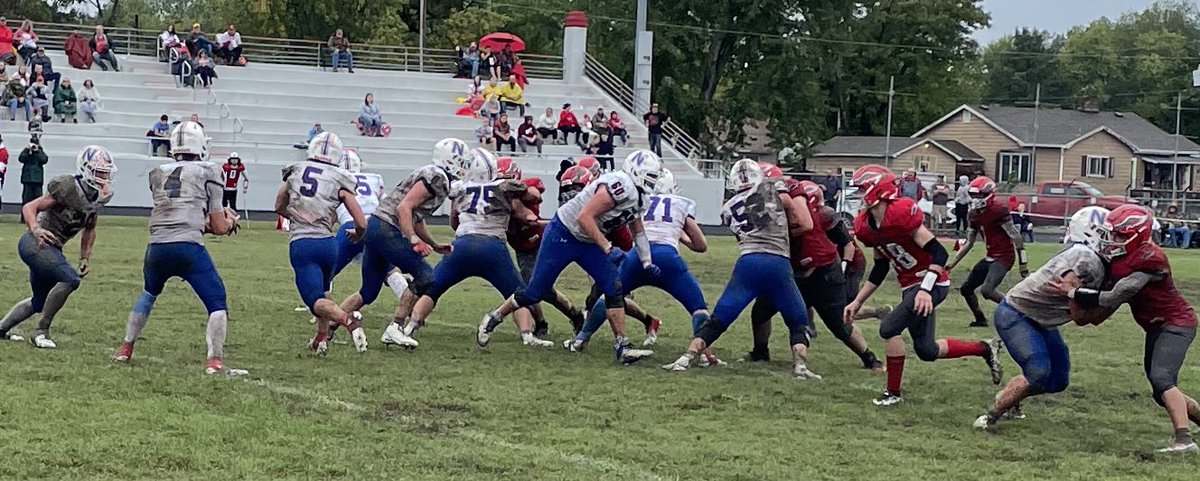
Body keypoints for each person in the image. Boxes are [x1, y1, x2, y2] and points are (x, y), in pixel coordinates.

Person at [477, 150, 666, 363]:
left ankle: (623, 345)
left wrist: (647, 261)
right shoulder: (619, 185)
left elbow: (637, 229)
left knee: (613, 286)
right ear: (637, 172)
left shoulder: (639, 196)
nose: (652, 182)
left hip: (586, 241)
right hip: (563, 234)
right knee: (535, 292)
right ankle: (494, 317)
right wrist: (607, 247)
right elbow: (584, 217)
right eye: (650, 176)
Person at [844, 164, 1003, 407]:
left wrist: (926, 289)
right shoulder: (866, 227)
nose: (858, 197)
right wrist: (857, 301)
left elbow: (938, 253)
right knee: (927, 350)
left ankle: (893, 393)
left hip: (933, 283)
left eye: (861, 189)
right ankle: (984, 348)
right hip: (911, 286)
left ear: (876, 190)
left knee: (888, 328)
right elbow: (880, 268)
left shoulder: (901, 213)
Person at [1058, 205, 1200, 453]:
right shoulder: (1123, 257)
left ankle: (1184, 440)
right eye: (1112, 234)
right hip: (1157, 326)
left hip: (1176, 323)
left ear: (1138, 236)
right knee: (1161, 391)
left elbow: (1116, 295)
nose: (1113, 240)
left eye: (1120, 235)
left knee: (1162, 380)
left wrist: (1073, 293)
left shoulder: (1150, 259)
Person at [661, 159, 818, 378]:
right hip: (777, 262)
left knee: (720, 317)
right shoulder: (773, 188)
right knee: (798, 320)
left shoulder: (728, 207)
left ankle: (686, 357)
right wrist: (789, 219)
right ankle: (800, 366)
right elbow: (788, 205)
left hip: (749, 263)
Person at [113, 122, 243, 374]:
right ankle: (215, 362)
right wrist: (229, 222)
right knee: (217, 302)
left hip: (157, 247)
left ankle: (125, 348)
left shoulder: (158, 171)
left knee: (149, 294)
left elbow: (179, 214)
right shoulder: (208, 170)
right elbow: (217, 226)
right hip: (187, 248)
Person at [973, 206, 1110, 430]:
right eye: (1106, 234)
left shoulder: (1092, 259)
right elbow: (1082, 317)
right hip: (1016, 313)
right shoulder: (1086, 259)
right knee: (1038, 372)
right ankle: (991, 416)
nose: (1112, 240)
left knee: (1057, 381)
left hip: (1041, 321)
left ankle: (1010, 397)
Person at [569, 170, 724, 364]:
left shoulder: (639, 199)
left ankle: (581, 338)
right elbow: (701, 245)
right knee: (698, 307)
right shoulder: (681, 202)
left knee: (609, 296)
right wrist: (678, 234)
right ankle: (704, 353)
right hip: (667, 258)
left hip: (637, 257)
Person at [400, 150, 552, 348]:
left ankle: (411, 327)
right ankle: (527, 335)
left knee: (433, 289)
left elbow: (454, 221)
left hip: (462, 245)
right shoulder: (504, 187)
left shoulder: (461, 188)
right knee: (516, 293)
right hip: (492, 247)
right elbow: (529, 211)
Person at [337, 138, 470, 349]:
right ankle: (395, 327)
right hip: (385, 228)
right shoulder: (437, 178)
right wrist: (413, 239)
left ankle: (327, 329)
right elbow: (404, 208)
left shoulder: (435, 175)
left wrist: (434, 244)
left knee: (369, 291)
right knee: (426, 276)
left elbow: (415, 217)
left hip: (377, 226)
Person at [747, 177, 884, 370]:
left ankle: (870, 358)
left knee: (839, 323)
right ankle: (760, 352)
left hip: (822, 273)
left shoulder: (816, 217)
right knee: (761, 310)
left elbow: (834, 245)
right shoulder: (791, 215)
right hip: (797, 275)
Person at [0, 146, 115, 347]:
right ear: (86, 169)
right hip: (35, 242)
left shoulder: (100, 196)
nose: (103, 176)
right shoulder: (68, 186)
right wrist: (35, 229)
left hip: (52, 248)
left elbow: (90, 227)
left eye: (106, 172)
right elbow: (30, 207)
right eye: (99, 171)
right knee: (69, 279)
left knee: (39, 301)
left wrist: (85, 257)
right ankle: (41, 331)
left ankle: (1, 329)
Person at [276, 132, 370, 354]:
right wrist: (357, 234)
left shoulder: (296, 170)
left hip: (304, 243)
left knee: (314, 300)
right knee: (324, 291)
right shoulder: (339, 177)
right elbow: (361, 222)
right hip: (329, 244)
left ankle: (348, 320)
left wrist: (296, 217)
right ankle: (321, 337)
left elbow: (279, 205)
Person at [502, 160, 586, 338]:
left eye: (506, 179)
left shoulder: (524, 189)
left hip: (539, 242)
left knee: (536, 287)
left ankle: (563, 317)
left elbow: (536, 193)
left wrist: (520, 196)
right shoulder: (496, 196)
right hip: (522, 247)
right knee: (533, 288)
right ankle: (556, 319)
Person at [946, 176, 1030, 327]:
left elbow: (1016, 237)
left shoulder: (998, 211)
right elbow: (969, 242)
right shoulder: (974, 214)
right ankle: (980, 318)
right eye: (974, 195)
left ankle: (1019, 313)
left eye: (980, 195)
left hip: (1004, 256)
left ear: (990, 194)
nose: (977, 199)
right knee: (966, 289)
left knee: (987, 290)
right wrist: (952, 263)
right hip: (990, 256)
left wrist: (1023, 264)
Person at [19, 137, 49, 218]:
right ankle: (24, 217)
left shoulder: (40, 151)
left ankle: (37, 216)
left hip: (37, 180)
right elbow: (21, 158)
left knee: (38, 200)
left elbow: (44, 160)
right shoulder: (27, 151)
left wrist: (38, 151)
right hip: (27, 179)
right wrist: (27, 149)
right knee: (26, 199)